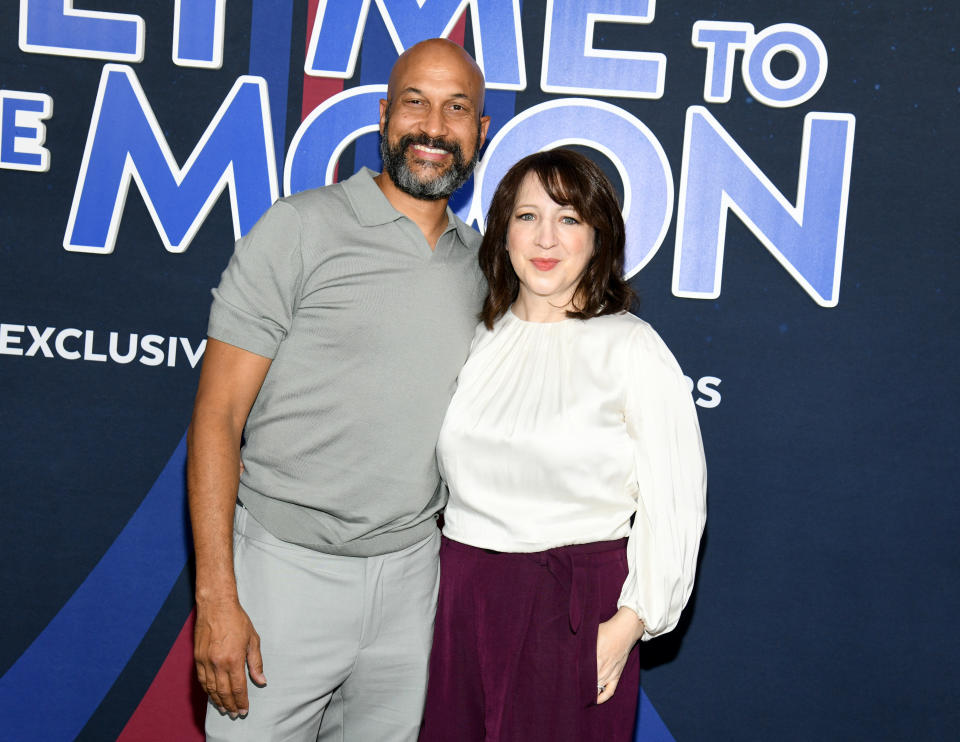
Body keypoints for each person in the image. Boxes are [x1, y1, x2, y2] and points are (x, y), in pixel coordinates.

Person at [187, 38, 490, 742]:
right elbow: (217, 416)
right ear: (384, 117)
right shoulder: (299, 229)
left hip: (414, 585)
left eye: (457, 110)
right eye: (415, 102)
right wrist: (216, 596)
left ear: (479, 133)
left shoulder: (487, 268)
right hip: (282, 575)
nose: (433, 128)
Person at [418, 149, 707, 741]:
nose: (546, 237)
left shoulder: (631, 348)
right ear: (502, 234)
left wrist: (629, 623)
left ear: (598, 238)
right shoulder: (477, 338)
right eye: (527, 217)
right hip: (459, 600)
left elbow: (675, 503)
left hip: (576, 609)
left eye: (569, 218)